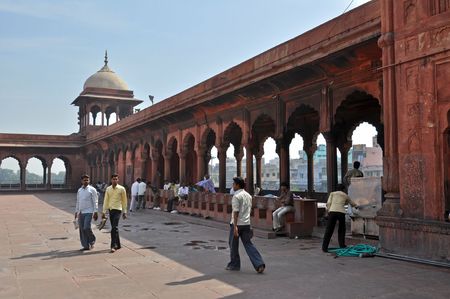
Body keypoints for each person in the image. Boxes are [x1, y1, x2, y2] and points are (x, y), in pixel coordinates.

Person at [226, 176, 265, 273]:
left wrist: (235, 227)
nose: (232, 186)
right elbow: (248, 211)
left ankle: (234, 264)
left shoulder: (236, 196)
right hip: (246, 224)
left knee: (233, 245)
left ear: (238, 185)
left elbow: (236, 212)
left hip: (237, 224)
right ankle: (259, 264)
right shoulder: (248, 195)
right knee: (248, 244)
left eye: (234, 184)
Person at [322, 183, 358, 252]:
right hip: (341, 213)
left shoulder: (332, 194)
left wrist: (329, 211)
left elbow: (328, 203)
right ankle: (342, 245)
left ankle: (324, 247)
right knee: (341, 229)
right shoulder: (345, 195)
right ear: (343, 189)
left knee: (329, 230)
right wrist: (356, 206)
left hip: (332, 212)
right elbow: (352, 203)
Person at [102, 174, 127, 253]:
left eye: (116, 179)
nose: (115, 180)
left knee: (114, 227)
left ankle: (113, 245)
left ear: (118, 180)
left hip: (118, 209)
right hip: (111, 209)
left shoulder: (121, 189)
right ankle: (118, 244)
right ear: (111, 180)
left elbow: (124, 201)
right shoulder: (108, 189)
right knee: (114, 227)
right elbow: (106, 200)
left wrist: (124, 212)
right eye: (113, 179)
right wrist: (104, 211)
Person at [75, 174, 98, 251]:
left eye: (87, 180)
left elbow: (95, 201)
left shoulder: (92, 189)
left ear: (89, 181)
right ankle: (86, 245)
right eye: (84, 180)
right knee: (81, 229)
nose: (86, 181)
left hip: (89, 211)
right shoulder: (79, 190)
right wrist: (76, 211)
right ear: (81, 181)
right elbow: (78, 201)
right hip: (81, 212)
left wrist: (96, 212)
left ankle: (92, 239)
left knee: (86, 227)